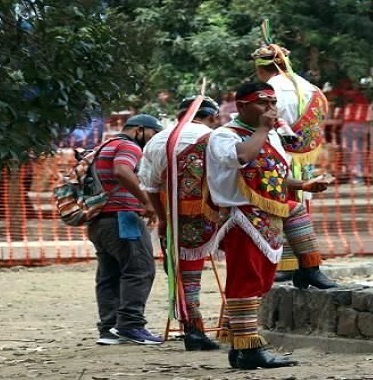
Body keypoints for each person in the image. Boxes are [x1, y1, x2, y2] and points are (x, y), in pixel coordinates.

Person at [206, 82, 332, 369]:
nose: (270, 109)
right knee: (245, 281)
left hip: (268, 216)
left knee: (261, 282)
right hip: (241, 217)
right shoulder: (223, 136)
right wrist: (263, 130)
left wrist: (303, 184)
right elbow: (241, 157)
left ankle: (241, 348)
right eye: (262, 103)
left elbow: (272, 177)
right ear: (241, 106)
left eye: (273, 103)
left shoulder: (272, 136)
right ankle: (250, 349)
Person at [251, 43, 337, 289]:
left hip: (274, 153)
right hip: (303, 156)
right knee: (298, 207)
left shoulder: (266, 91)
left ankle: (282, 264)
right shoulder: (311, 89)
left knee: (278, 207)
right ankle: (301, 265)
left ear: (259, 68)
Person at [139, 96, 221, 351]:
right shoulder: (216, 137)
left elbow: (149, 186)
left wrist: (163, 219)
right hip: (218, 214)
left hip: (175, 217)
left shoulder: (157, 140)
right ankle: (239, 324)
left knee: (185, 274)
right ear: (212, 117)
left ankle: (192, 327)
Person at [88, 114, 163, 345]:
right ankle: (131, 325)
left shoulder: (103, 146)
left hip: (99, 220)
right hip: (123, 217)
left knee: (109, 274)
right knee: (140, 269)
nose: (153, 140)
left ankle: (109, 329)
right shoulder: (128, 146)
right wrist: (146, 202)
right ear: (140, 129)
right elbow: (122, 171)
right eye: (153, 134)